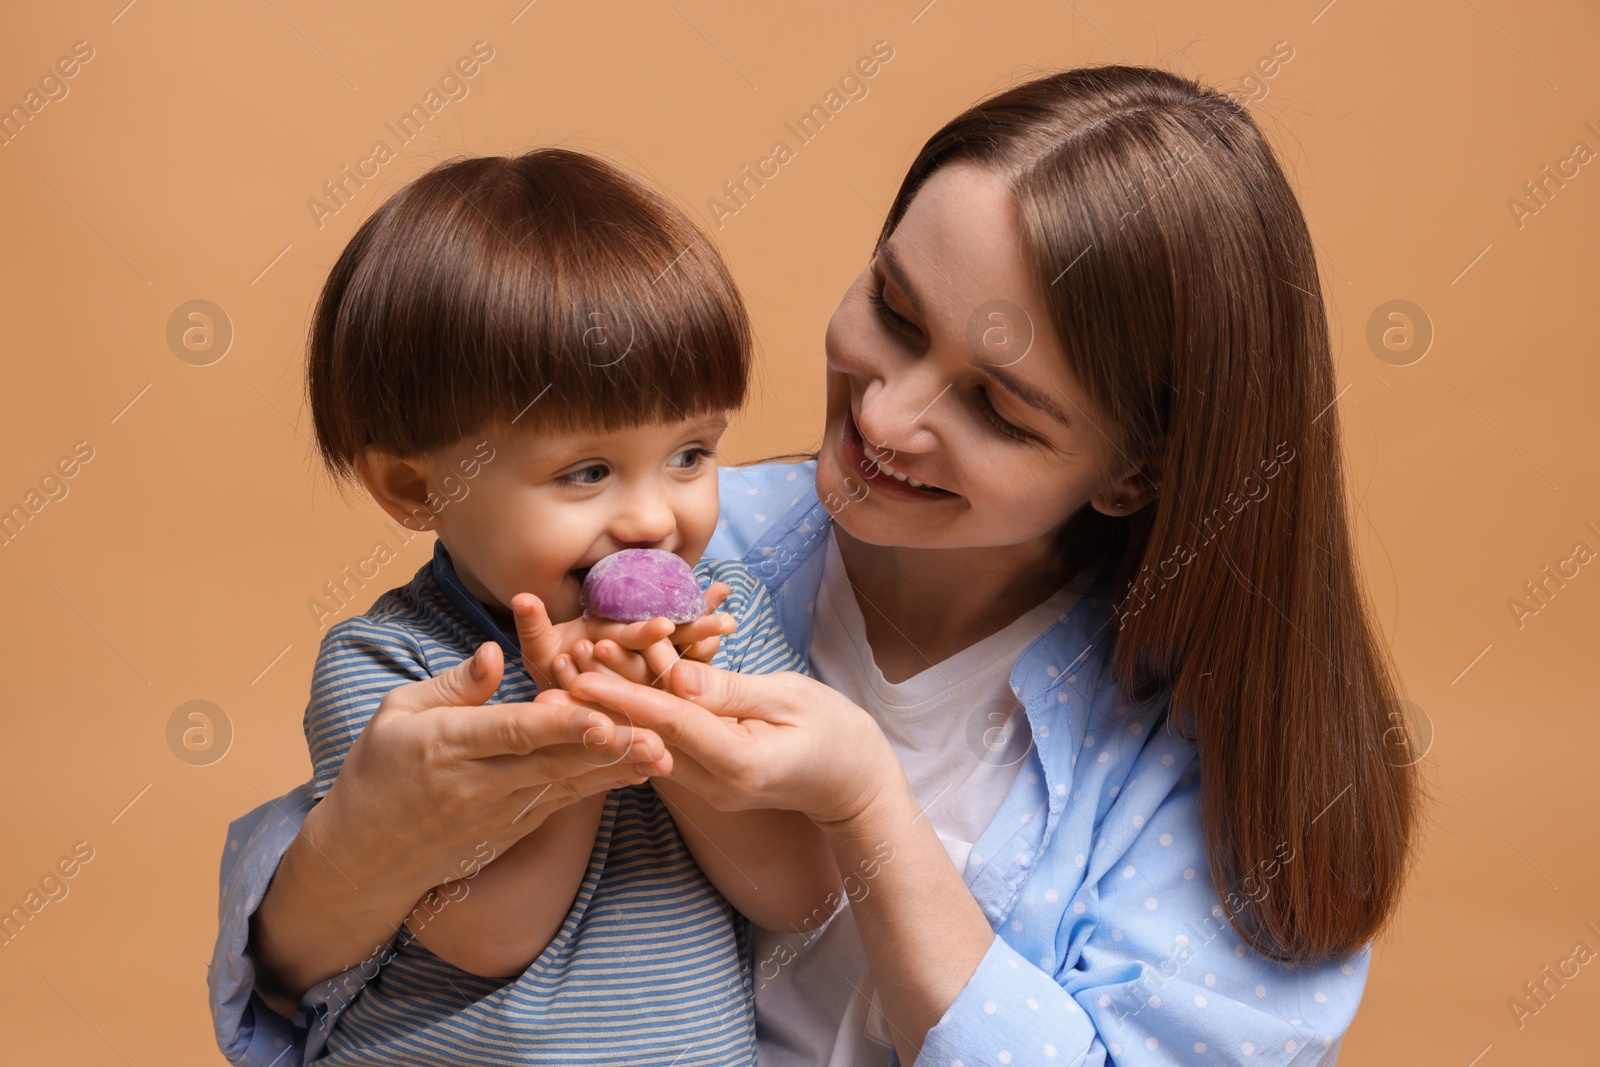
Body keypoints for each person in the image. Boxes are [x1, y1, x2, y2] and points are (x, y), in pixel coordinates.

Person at [210, 66, 1420, 1066]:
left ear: (1132, 474)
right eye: (894, 309)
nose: (887, 418)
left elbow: (795, 888)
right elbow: (306, 960)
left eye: (999, 408)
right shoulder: (686, 549)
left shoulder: (1222, 751)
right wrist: (359, 857)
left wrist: (863, 799)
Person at [212, 146, 841, 1066]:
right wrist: (583, 718)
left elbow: (797, 894)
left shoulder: (724, 620)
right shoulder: (396, 671)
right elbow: (490, 931)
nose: (654, 516)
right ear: (413, 486)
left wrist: (679, 705)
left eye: (692, 453)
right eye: (586, 472)